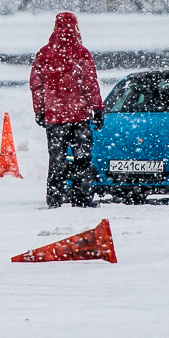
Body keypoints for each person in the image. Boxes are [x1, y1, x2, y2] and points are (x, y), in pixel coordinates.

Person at [30, 12, 104, 208]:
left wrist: (40, 110)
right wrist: (97, 108)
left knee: (56, 159)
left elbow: (36, 85)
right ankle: (82, 196)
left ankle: (54, 197)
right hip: (79, 116)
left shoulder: (44, 54)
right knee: (82, 158)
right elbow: (90, 83)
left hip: (54, 117)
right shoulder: (81, 53)